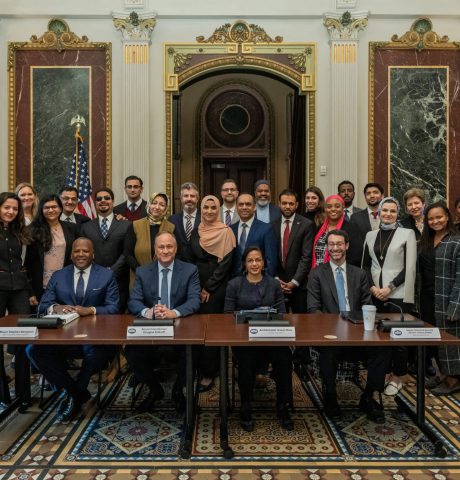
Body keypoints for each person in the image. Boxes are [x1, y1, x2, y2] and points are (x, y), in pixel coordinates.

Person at [26, 237, 119, 422]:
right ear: (71, 255)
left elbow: (114, 307)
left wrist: (91, 310)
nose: (81, 254)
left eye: (85, 251)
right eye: (77, 251)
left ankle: (74, 394)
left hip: (94, 337)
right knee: (33, 350)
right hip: (62, 337)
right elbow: (43, 305)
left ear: (93, 254)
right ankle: (76, 393)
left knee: (93, 353)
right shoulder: (58, 276)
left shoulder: (106, 275)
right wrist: (56, 307)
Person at [307, 229, 389, 423]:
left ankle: (368, 396)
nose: (335, 248)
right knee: (328, 353)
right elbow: (313, 309)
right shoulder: (317, 274)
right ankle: (331, 397)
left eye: (339, 244)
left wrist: (357, 328)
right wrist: (332, 330)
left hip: (358, 335)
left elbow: (366, 306)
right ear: (327, 248)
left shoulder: (359, 274)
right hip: (330, 337)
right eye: (332, 244)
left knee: (383, 349)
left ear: (347, 246)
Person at [124, 232, 201, 412]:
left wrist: (173, 313)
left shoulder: (190, 270)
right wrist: (147, 312)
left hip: (179, 327)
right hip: (151, 328)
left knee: (194, 350)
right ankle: (154, 389)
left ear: (176, 249)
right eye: (161, 247)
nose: (165, 251)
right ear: (155, 250)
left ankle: (177, 391)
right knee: (132, 351)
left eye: (169, 247)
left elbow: (194, 300)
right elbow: (134, 301)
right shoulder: (143, 271)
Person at [224, 247, 293, 431]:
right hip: (245, 341)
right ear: (244, 264)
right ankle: (245, 406)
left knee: (285, 358)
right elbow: (228, 316)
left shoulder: (273, 284)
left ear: (263, 263)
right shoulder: (234, 285)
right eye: (250, 260)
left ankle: (283, 406)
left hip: (271, 338)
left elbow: (282, 313)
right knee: (246, 360)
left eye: (258, 260)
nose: (254, 264)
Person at [362, 197, 417, 395]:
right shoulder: (370, 235)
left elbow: (410, 267)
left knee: (398, 337)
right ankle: (383, 371)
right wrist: (372, 288)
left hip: (398, 292)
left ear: (397, 213)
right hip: (376, 292)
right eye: (385, 210)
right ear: (379, 212)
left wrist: (390, 287)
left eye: (392, 211)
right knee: (378, 335)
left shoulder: (407, 233)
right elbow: (366, 265)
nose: (388, 214)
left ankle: (398, 375)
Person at [188, 195, 235, 391]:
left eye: (213, 208)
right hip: (195, 286)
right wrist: (194, 287)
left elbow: (225, 265)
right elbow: (190, 259)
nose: (208, 211)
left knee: (212, 331)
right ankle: (197, 368)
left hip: (215, 289)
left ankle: (210, 372)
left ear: (218, 210)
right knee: (196, 329)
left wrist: (208, 287)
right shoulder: (196, 231)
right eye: (205, 207)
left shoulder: (226, 232)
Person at [419, 202, 460, 395]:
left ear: (447, 217)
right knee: (434, 338)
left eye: (439, 217)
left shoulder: (456, 241)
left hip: (446, 298)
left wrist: (455, 305)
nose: (435, 221)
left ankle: (454, 379)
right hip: (427, 298)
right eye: (431, 218)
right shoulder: (426, 240)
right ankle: (443, 373)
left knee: (449, 340)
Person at [0, 192, 32, 407]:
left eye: (14, 208)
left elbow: (23, 263)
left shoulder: (18, 231)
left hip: (19, 288)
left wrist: (30, 291)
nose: (11, 211)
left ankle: (23, 395)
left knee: (23, 338)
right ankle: (3, 394)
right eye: (6, 207)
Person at [81, 188, 131, 312]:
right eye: (99, 199)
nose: (103, 201)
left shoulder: (126, 225)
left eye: (107, 198)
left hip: (119, 280)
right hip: (93, 279)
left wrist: (112, 271)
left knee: (117, 318)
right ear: (95, 203)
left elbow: (127, 252)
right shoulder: (86, 227)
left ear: (113, 201)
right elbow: (83, 253)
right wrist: (98, 272)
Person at [26, 194, 77, 303]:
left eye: (54, 207)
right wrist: (30, 292)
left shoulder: (71, 228)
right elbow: (27, 264)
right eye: (46, 207)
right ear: (41, 210)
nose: (51, 210)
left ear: (60, 208)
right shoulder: (31, 231)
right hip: (40, 287)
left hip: (66, 285)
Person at [273, 189, 313, 312]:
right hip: (277, 285)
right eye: (284, 203)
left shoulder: (306, 225)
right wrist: (275, 280)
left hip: (299, 286)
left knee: (302, 325)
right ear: (279, 204)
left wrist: (294, 282)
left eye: (291, 204)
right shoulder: (271, 225)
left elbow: (306, 257)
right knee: (277, 324)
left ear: (296, 205)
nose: (287, 206)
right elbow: (270, 255)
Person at [125, 192, 175, 274]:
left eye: (162, 205)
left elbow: (176, 253)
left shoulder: (171, 227)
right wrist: (141, 272)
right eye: (154, 203)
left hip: (164, 275)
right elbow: (128, 254)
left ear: (166, 208)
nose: (157, 207)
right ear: (149, 204)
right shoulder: (135, 225)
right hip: (138, 275)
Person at [230, 193, 277, 277]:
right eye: (241, 204)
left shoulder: (266, 229)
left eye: (248, 204)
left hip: (259, 283)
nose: (244, 207)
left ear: (254, 207)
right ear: (236, 207)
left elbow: (271, 261)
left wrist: (263, 282)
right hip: (235, 283)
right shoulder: (230, 229)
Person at [312, 194, 360, 268]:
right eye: (329, 206)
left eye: (337, 206)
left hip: (340, 273)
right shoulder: (319, 228)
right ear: (325, 209)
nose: (333, 209)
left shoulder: (351, 228)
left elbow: (355, 256)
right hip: (318, 274)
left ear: (343, 208)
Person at [349, 182, 385, 260]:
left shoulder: (390, 217)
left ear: (382, 196)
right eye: (368, 193)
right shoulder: (355, 218)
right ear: (365, 197)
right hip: (363, 263)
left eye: (375, 192)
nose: (372, 195)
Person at [168, 182, 201, 261]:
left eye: (192, 196)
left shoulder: (204, 219)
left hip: (199, 265)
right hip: (178, 264)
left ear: (197, 199)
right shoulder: (172, 220)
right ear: (181, 198)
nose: (189, 199)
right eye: (186, 196)